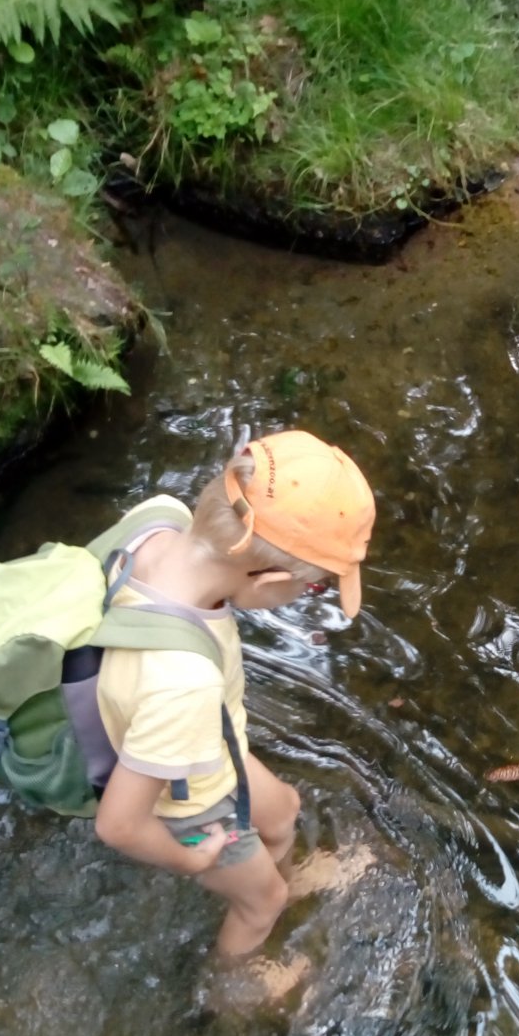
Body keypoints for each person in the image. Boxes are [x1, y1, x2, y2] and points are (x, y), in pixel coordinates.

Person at [92, 428, 375, 1004]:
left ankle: (278, 877)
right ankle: (230, 988)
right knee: (263, 902)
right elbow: (118, 825)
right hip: (187, 800)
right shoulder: (182, 680)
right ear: (269, 579)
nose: (310, 596)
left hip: (209, 742)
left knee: (284, 809)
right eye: (315, 588)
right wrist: (187, 857)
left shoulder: (159, 520)